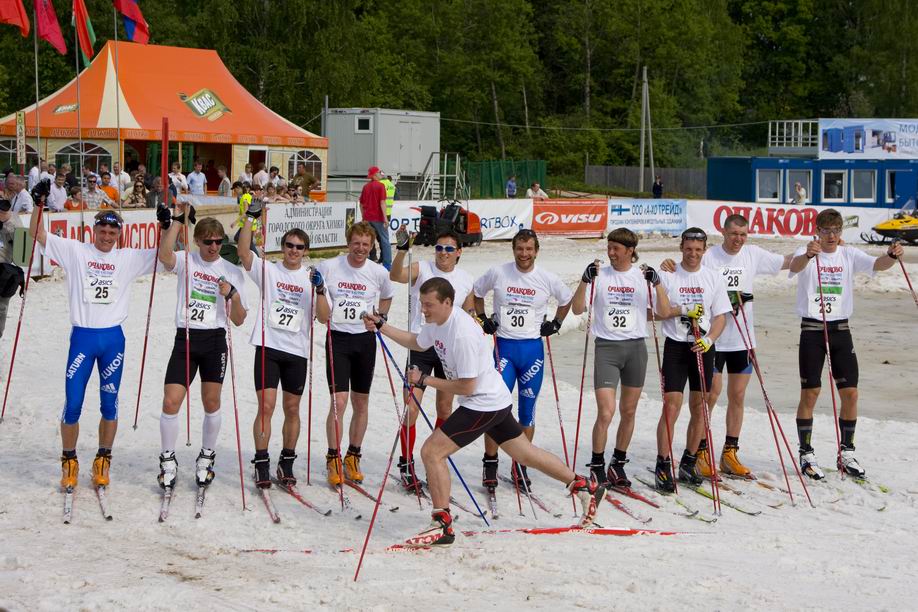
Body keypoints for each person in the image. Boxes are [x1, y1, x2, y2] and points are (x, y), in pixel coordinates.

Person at [363, 278, 606, 546]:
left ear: (447, 302)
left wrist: (425, 380)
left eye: (429, 305)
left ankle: (442, 523)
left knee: (432, 452)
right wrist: (382, 327)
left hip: (482, 403)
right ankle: (585, 486)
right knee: (525, 453)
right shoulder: (437, 322)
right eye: (422, 304)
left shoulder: (462, 333)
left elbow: (466, 387)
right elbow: (419, 343)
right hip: (493, 399)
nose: (424, 310)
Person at [29, 206, 157, 492]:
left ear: (119, 234)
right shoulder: (76, 251)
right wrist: (39, 203)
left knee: (109, 405)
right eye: (103, 231)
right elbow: (37, 234)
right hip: (83, 339)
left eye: (113, 232)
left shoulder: (128, 257)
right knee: (73, 404)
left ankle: (103, 459)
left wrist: (170, 222)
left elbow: (166, 256)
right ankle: (69, 461)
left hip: (113, 339)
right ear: (94, 230)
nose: (107, 237)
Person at [659, 214, 793, 477]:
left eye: (743, 234)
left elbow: (788, 263)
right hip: (715, 341)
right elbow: (685, 269)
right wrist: (668, 266)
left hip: (742, 339)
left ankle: (730, 453)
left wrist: (810, 254)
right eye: (733, 234)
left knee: (738, 396)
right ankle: (700, 452)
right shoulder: (708, 257)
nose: (738, 239)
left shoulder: (752, 254)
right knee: (708, 397)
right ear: (723, 232)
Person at [788, 209, 902, 479]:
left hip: (841, 330)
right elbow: (794, 268)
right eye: (825, 230)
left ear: (841, 232)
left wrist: (892, 256)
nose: (830, 235)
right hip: (812, 330)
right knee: (811, 392)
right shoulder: (806, 252)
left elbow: (877, 264)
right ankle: (806, 452)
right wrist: (807, 255)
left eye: (835, 230)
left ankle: (847, 452)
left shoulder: (848, 254)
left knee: (850, 393)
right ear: (817, 230)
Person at [154, 202, 247, 491]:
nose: (214, 247)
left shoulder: (231, 270)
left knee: (211, 401)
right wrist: (178, 221)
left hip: (215, 340)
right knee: (171, 401)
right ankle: (168, 459)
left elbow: (240, 319)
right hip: (186, 337)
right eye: (208, 242)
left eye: (219, 242)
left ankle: (206, 456)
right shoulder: (188, 260)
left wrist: (232, 295)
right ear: (198, 241)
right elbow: (164, 255)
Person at [472, 228, 573, 489]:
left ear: (536, 251)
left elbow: (566, 299)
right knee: (495, 408)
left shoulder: (546, 278)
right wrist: (483, 319)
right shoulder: (499, 272)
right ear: (514, 249)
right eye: (520, 248)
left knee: (527, 412)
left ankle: (521, 465)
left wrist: (557, 323)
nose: (524, 254)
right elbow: (477, 292)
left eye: (529, 249)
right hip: (503, 348)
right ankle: (490, 462)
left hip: (532, 351)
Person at [571, 229, 671, 488]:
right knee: (606, 411)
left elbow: (662, 311)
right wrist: (584, 280)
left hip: (636, 348)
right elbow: (578, 309)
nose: (611, 253)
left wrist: (657, 283)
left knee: (628, 411)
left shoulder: (641, 277)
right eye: (609, 247)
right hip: (607, 348)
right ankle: (596, 465)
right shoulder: (600, 275)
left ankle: (617, 464)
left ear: (630, 251)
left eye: (616, 248)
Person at [389, 227, 475, 488]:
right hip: (421, 345)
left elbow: (469, 311)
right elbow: (395, 276)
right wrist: (402, 251)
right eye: (439, 248)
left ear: (458, 252)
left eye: (449, 249)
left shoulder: (466, 279)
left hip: (448, 349)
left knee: (444, 409)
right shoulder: (422, 268)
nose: (443, 254)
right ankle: (406, 462)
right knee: (411, 409)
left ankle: (437, 457)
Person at [237, 201, 314, 488]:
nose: (294, 250)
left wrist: (319, 289)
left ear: (305, 251)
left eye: (299, 247)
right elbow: (244, 252)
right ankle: (261, 461)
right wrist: (251, 218)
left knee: (292, 409)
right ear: (283, 247)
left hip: (297, 351)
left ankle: (287, 461)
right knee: (266, 407)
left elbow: (325, 315)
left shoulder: (310, 278)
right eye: (290, 245)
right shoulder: (269, 270)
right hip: (268, 347)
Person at [314, 221, 394, 486]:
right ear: (349, 243)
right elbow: (316, 288)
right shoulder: (330, 266)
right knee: (338, 402)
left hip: (365, 341)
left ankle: (353, 455)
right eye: (356, 243)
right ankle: (333, 457)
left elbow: (387, 296)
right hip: (337, 338)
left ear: (372, 247)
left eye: (366, 245)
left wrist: (380, 317)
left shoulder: (378, 272)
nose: (361, 249)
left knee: (361, 403)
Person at [652, 227, 731, 492]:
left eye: (698, 250)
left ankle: (689, 461)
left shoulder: (713, 277)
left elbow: (720, 316)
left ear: (704, 250)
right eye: (688, 249)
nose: (693, 254)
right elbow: (656, 311)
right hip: (676, 346)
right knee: (671, 406)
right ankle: (663, 463)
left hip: (702, 347)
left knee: (700, 406)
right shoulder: (668, 274)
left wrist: (710, 339)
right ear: (681, 248)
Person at [359, 166, 391, 269]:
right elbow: (382, 203)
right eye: (379, 173)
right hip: (378, 218)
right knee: (385, 240)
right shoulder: (381, 186)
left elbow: (361, 204)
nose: (380, 174)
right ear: (375, 174)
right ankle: (387, 264)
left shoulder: (366, 187)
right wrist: (385, 218)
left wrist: (363, 217)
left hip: (368, 217)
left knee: (368, 240)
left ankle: (368, 260)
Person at [0, 197, 23, 337]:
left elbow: (22, 254)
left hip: (3, 271)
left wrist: (5, 222)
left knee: (1, 309)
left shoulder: (13, 219)